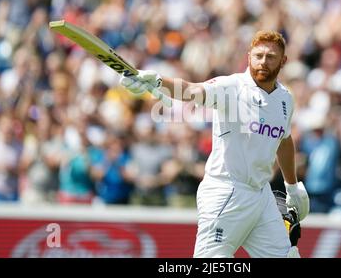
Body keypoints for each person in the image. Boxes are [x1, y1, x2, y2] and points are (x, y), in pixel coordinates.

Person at [120, 30, 310, 258]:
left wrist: (292, 186)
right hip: (226, 191)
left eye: (271, 56)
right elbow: (192, 90)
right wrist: (158, 82)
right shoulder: (231, 87)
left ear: (283, 61)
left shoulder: (285, 99)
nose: (263, 62)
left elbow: (284, 140)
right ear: (249, 56)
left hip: (261, 195)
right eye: (258, 55)